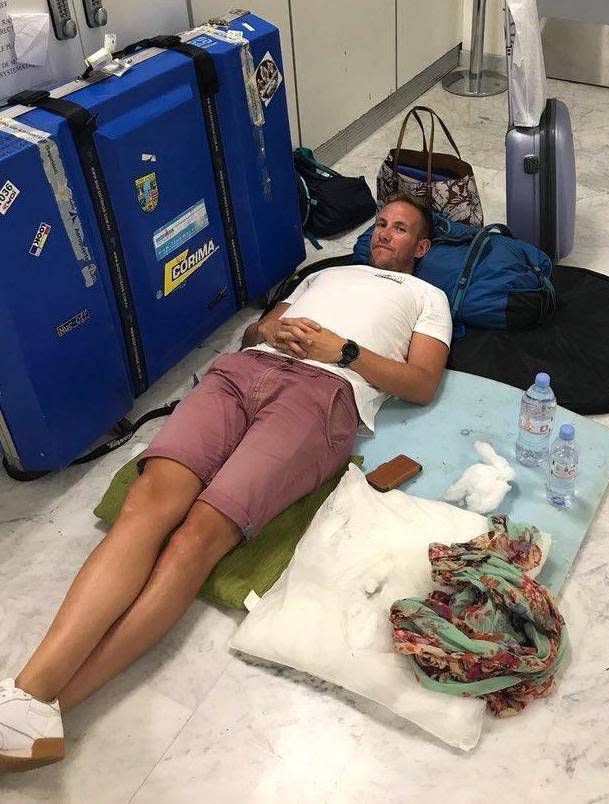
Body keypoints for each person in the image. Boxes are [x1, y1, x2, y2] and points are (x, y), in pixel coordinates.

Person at [0, 191, 452, 773]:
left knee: (198, 535)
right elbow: (255, 333)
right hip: (243, 374)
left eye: (400, 228)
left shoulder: (426, 296)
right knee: (148, 506)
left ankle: (47, 707)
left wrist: (340, 349)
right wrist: (271, 333)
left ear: (423, 246)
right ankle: (25, 694)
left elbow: (420, 383)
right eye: (381, 224)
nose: (384, 234)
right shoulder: (325, 275)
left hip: (323, 395)